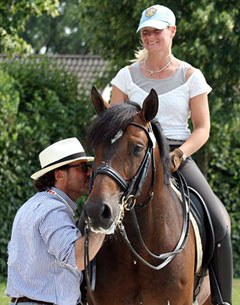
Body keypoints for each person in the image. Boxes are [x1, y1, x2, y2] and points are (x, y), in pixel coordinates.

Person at [110, 4, 232, 305]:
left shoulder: (192, 76)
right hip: (134, 158)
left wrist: (180, 154)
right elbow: (112, 126)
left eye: (157, 31)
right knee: (98, 209)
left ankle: (222, 299)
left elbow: (202, 129)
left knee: (220, 220)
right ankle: (85, 288)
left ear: (172, 32)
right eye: (145, 32)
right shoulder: (124, 77)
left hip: (176, 155)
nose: (150, 37)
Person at [6, 137, 105, 305]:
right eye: (82, 167)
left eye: (88, 166)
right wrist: (103, 222)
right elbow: (78, 258)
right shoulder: (53, 210)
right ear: (59, 174)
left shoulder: (35, 204)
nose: (89, 172)